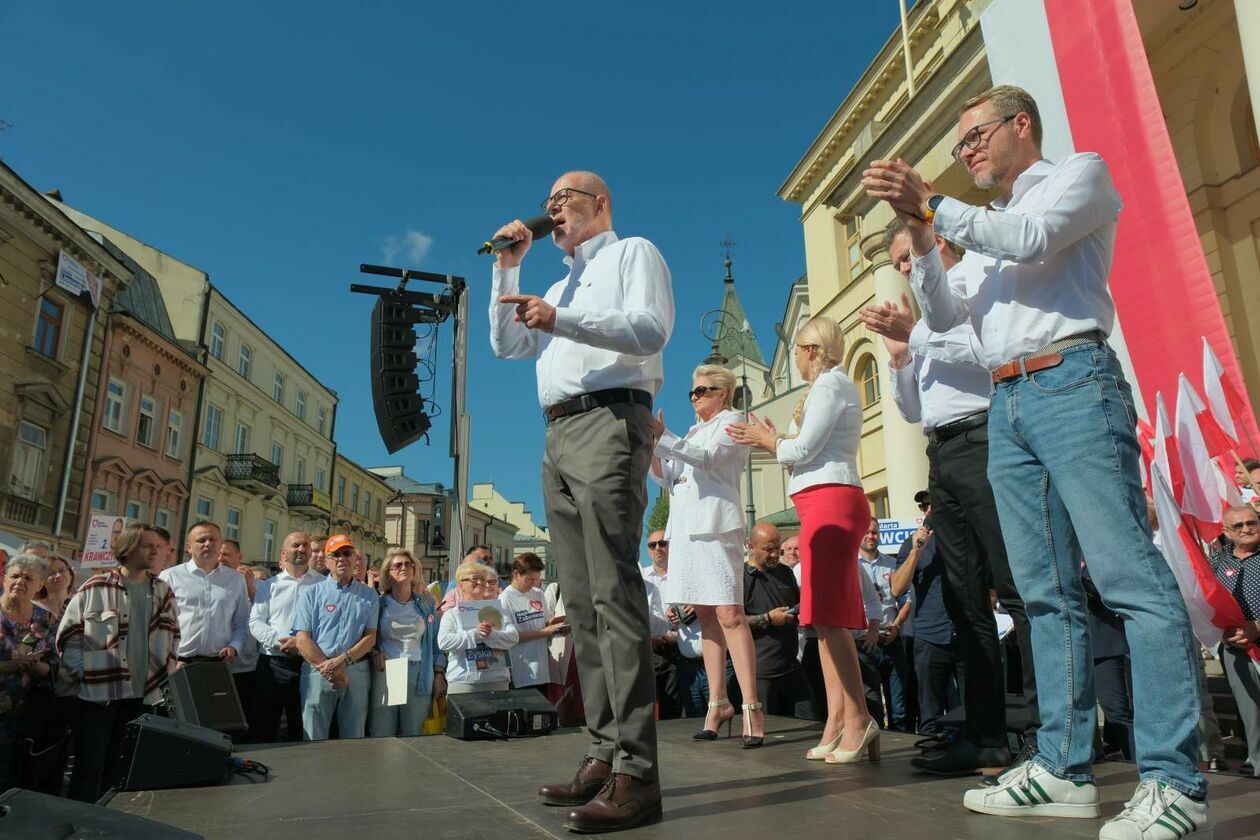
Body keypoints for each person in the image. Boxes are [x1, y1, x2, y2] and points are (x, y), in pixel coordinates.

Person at [864, 84, 1208, 831]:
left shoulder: (1077, 174)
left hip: (1074, 381)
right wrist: (923, 243)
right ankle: (1061, 766)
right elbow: (951, 315)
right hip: (1008, 403)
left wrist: (931, 207)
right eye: (960, 146)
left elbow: (1030, 239)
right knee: (1043, 593)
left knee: (1127, 580)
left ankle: (1175, 781)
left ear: (1022, 125)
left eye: (975, 135)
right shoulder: (977, 230)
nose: (968, 152)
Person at [490, 170, 672, 833]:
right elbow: (509, 344)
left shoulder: (633, 253)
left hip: (609, 420)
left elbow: (650, 330)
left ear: (601, 205)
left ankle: (637, 774)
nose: (552, 210)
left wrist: (560, 317)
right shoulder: (559, 282)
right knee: (583, 605)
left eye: (563, 199)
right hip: (559, 432)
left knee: (615, 595)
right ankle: (603, 752)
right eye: (547, 203)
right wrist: (508, 273)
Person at [862, 219, 1038, 773]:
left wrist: (917, 334)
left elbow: (989, 352)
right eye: (897, 266)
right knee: (964, 599)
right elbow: (914, 410)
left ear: (935, 245)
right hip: (943, 450)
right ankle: (986, 736)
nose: (903, 272)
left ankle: (1041, 731)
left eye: (906, 259)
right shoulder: (923, 324)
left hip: (988, 437)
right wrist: (898, 361)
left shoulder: (976, 284)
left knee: (1016, 588)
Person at [729, 315, 879, 766]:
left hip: (831, 501)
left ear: (811, 350)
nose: (792, 357)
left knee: (830, 618)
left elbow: (803, 450)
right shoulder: (827, 388)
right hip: (822, 501)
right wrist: (776, 442)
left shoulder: (832, 385)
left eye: (796, 349)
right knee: (820, 621)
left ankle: (858, 719)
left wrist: (769, 440)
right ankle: (837, 720)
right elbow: (803, 451)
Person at [651, 364, 762, 747]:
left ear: (723, 393)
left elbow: (709, 458)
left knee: (731, 614)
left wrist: (665, 436)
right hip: (686, 530)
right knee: (705, 616)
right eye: (692, 392)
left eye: (702, 391)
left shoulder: (734, 422)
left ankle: (751, 705)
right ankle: (717, 702)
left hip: (716, 527)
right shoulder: (695, 431)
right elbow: (668, 476)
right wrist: (653, 444)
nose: (695, 398)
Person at [57, 523, 179, 802]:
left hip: (142, 696)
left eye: (158, 546)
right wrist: (85, 674)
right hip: (100, 696)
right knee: (88, 770)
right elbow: (68, 637)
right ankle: (81, 822)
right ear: (129, 548)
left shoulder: (162, 591)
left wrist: (165, 672)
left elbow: (174, 637)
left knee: (120, 770)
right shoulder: (95, 586)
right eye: (148, 545)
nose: (155, 550)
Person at [160, 522, 251, 733]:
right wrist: (170, 659)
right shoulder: (170, 576)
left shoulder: (235, 580)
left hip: (217, 665)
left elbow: (241, 622)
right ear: (189, 547)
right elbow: (159, 623)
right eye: (201, 540)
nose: (207, 544)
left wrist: (234, 646)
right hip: (179, 664)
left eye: (213, 539)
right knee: (179, 727)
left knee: (216, 729)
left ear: (220, 545)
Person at [291, 534, 379, 740]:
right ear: (327, 561)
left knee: (354, 737)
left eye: (347, 553)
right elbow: (302, 639)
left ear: (356, 559)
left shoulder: (369, 595)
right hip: (318, 671)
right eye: (335, 555)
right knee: (313, 737)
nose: (342, 558)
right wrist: (330, 669)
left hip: (355, 672)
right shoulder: (310, 593)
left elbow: (371, 637)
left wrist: (342, 661)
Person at [891, 523, 964, 745]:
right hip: (930, 635)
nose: (929, 510)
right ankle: (932, 752)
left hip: (965, 634)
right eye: (924, 506)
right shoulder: (911, 544)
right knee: (930, 712)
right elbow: (897, 589)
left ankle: (971, 751)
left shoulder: (963, 537)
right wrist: (916, 551)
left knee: (972, 706)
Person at [249, 531, 321, 742]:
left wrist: (301, 644)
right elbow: (255, 622)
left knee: (302, 725)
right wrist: (279, 641)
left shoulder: (322, 584)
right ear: (283, 552)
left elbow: (325, 624)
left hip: (308, 663)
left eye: (305, 545)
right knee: (265, 724)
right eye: (296, 545)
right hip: (273, 662)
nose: (301, 549)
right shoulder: (269, 585)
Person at [370, 549, 445, 737]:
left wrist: (439, 674)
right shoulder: (379, 603)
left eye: (408, 564)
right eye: (398, 565)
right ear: (388, 572)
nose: (404, 568)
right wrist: (373, 653)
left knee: (415, 733)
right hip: (390, 670)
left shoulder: (426, 604)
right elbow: (368, 637)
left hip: (419, 670)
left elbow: (437, 643)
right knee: (384, 733)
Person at [1209, 506, 1260, 777]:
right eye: (1237, 526)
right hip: (1234, 648)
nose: (1246, 529)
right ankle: (1258, 761)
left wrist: (1257, 627)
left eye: (1251, 522)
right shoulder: (1218, 563)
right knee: (1249, 711)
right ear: (1226, 532)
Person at [0, 553, 57, 791]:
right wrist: (9, 666)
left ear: (40, 585)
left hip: (26, 719)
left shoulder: (47, 620)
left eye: (28, 578)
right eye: (14, 576)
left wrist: (37, 667)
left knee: (10, 783)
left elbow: (57, 667)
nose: (20, 581)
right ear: (4, 579)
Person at [855, 518, 912, 733]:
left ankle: (901, 743)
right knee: (873, 705)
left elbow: (906, 600)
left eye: (875, 532)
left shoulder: (892, 563)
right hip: (864, 643)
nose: (871, 536)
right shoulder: (852, 565)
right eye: (867, 532)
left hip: (891, 640)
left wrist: (897, 626)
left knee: (899, 708)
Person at [743, 523, 803, 717]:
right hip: (761, 673)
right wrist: (766, 619)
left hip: (791, 667)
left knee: (809, 720)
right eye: (768, 549)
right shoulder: (740, 578)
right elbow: (731, 623)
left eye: (777, 548)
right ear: (751, 547)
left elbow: (799, 603)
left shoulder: (785, 573)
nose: (775, 554)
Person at [438, 561, 519, 693]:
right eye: (474, 579)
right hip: (463, 681)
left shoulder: (498, 610)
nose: (481, 583)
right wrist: (474, 634)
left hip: (497, 680)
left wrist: (492, 634)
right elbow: (444, 642)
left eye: (483, 579)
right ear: (461, 585)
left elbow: (513, 637)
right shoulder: (452, 614)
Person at [500, 553, 565, 695]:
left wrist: (559, 623)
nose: (533, 583)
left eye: (536, 579)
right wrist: (542, 633)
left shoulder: (538, 593)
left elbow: (545, 622)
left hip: (542, 670)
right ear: (516, 574)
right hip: (521, 671)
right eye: (529, 579)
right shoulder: (504, 599)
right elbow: (510, 637)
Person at [217, 536, 259, 736]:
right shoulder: (211, 581)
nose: (221, 558)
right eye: (219, 554)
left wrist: (251, 589)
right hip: (216, 663)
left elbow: (262, 617)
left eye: (226, 554)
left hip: (245, 665)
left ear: (239, 557)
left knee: (241, 721)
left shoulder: (252, 583)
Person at [33, 554, 74, 620]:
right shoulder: (31, 609)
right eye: (51, 573)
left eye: (62, 570)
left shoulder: (76, 610)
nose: (58, 576)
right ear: (42, 581)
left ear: (71, 576)